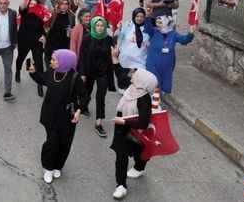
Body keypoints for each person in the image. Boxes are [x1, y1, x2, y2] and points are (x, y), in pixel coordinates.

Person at [27, 49, 84, 184]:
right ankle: (48, 167)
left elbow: (84, 95)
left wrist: (79, 110)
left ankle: (58, 165)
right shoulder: (52, 72)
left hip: (67, 117)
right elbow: (42, 79)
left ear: (64, 62)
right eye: (51, 59)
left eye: (54, 60)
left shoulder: (74, 77)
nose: (50, 62)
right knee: (52, 142)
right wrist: (33, 73)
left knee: (64, 143)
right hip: (50, 115)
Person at [111, 69, 159, 200]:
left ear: (142, 81)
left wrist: (124, 121)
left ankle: (139, 167)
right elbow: (120, 75)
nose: (132, 75)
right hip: (122, 130)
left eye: (135, 74)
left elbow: (143, 123)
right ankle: (121, 185)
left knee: (139, 153)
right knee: (121, 156)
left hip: (135, 133)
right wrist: (115, 59)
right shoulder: (131, 89)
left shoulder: (143, 99)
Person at [78, 16, 115, 137]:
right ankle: (83, 107)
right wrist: (82, 73)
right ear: (94, 26)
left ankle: (98, 122)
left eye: (102, 25)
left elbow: (112, 56)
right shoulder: (87, 38)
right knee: (86, 92)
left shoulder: (109, 39)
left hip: (103, 73)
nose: (100, 28)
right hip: (89, 71)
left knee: (101, 97)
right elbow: (82, 57)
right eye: (97, 25)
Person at [143, 15, 195, 94]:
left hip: (166, 65)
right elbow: (147, 27)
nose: (157, 24)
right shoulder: (153, 31)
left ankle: (157, 100)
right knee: (154, 82)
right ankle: (154, 100)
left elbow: (184, 40)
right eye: (157, 22)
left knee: (164, 84)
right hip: (153, 63)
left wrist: (191, 33)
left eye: (160, 23)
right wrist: (148, 16)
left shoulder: (173, 34)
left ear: (166, 23)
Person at [17, 0, 46, 94]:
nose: (32, 5)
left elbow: (43, 28)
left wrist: (44, 36)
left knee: (39, 63)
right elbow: (21, 8)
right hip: (24, 41)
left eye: (34, 4)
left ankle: (40, 84)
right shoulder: (25, 13)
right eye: (31, 3)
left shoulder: (41, 16)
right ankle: (18, 71)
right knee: (20, 58)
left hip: (36, 43)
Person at [116, 8, 150, 73]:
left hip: (140, 61)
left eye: (142, 16)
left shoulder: (148, 28)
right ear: (134, 16)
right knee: (125, 81)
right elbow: (120, 37)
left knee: (138, 81)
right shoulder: (128, 25)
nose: (139, 18)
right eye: (137, 16)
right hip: (125, 60)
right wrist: (119, 30)